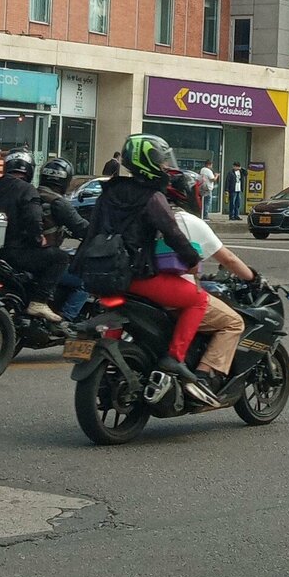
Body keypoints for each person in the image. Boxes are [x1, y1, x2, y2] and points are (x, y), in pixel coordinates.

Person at [75, 134, 218, 406]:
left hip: (99, 274)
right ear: (149, 163)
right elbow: (173, 233)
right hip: (134, 276)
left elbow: (91, 232)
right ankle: (174, 358)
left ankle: (117, 358)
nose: (166, 166)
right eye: (162, 161)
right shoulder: (152, 197)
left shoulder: (109, 191)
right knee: (198, 299)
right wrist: (191, 259)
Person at [165, 169, 260, 398]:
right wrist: (252, 277)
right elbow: (227, 258)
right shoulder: (189, 221)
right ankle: (203, 376)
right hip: (175, 292)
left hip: (148, 290)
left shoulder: (156, 216)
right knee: (234, 322)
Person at [0, 148, 67, 323]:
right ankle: (39, 301)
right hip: (16, 252)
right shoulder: (27, 190)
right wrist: (38, 239)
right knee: (60, 257)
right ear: (29, 169)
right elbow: (34, 219)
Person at [37, 158, 90, 323]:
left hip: (25, 256)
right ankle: (66, 319)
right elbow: (82, 227)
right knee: (86, 280)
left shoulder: (32, 194)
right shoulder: (58, 202)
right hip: (46, 259)